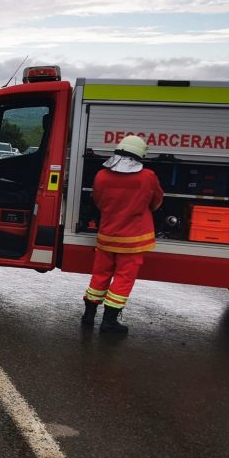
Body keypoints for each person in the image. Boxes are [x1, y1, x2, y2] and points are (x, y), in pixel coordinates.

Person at [82, 134, 164, 333]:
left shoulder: (101, 175)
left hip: (106, 236)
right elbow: (156, 201)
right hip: (133, 240)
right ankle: (109, 321)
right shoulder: (148, 177)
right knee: (123, 279)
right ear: (140, 155)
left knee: (100, 275)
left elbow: (98, 201)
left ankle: (89, 315)